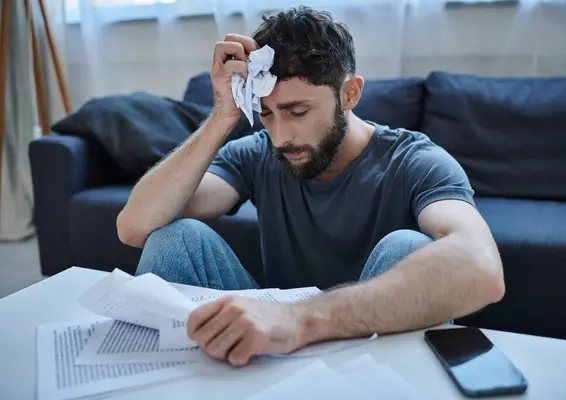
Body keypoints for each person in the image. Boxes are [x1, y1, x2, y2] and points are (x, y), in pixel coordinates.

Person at [116, 6, 505, 367]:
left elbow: (482, 269)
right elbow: (134, 227)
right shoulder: (258, 152)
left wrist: (298, 321)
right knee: (175, 237)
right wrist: (222, 116)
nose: (282, 137)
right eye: (266, 114)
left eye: (298, 112)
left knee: (409, 247)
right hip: (272, 349)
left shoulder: (415, 160)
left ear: (350, 94)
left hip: (368, 358)